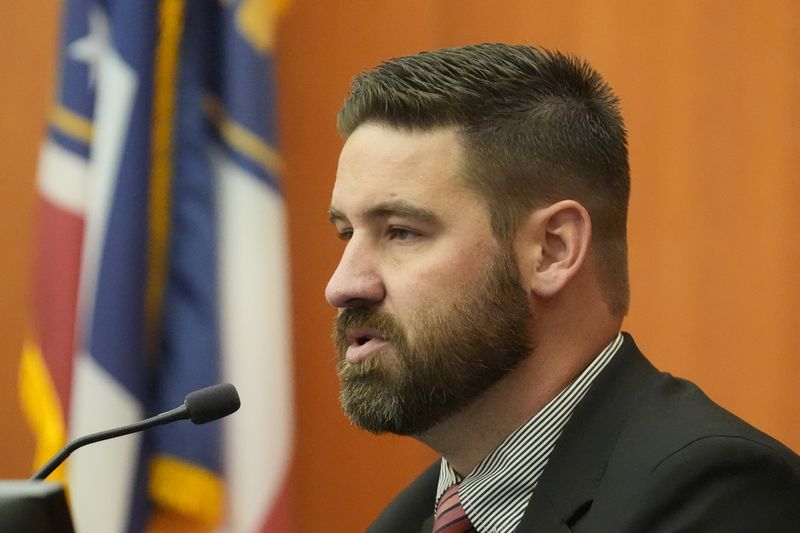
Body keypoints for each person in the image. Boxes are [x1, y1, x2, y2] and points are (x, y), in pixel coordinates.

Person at [324, 43, 800, 532]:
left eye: (402, 231)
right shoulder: (403, 522)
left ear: (553, 250)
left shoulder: (717, 495)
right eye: (346, 233)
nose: (342, 285)